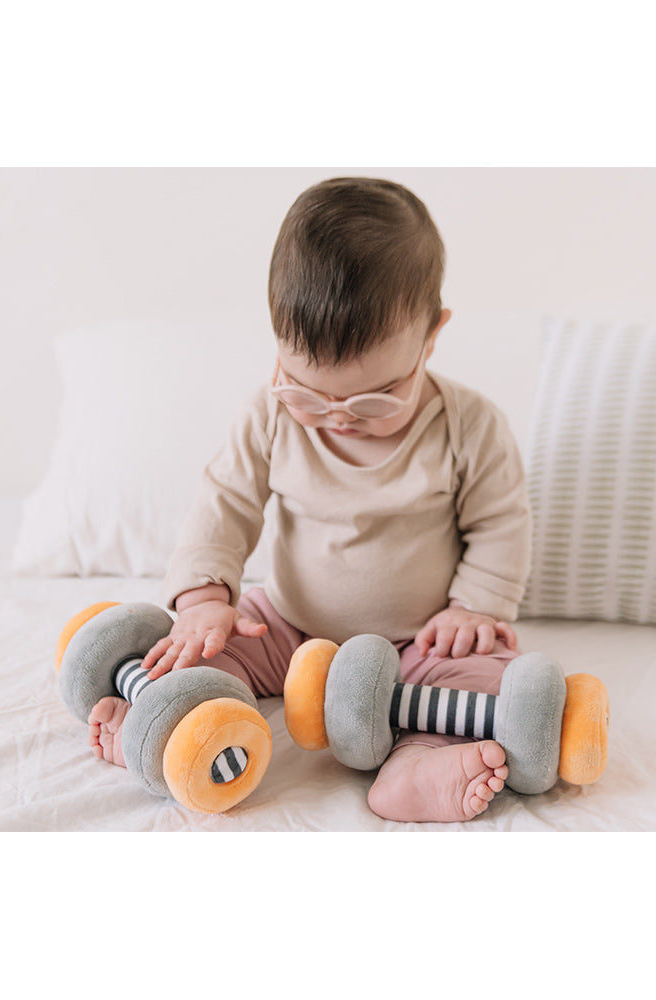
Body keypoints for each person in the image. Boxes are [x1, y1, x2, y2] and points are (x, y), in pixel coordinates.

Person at [88, 176, 532, 822]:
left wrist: (473, 608)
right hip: (288, 627)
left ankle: (417, 765)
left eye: (375, 399)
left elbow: (501, 524)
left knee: (488, 680)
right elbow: (225, 505)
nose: (338, 417)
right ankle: (174, 725)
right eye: (305, 392)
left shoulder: (471, 427)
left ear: (432, 335)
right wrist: (206, 601)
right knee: (197, 653)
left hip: (417, 642)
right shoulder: (268, 417)